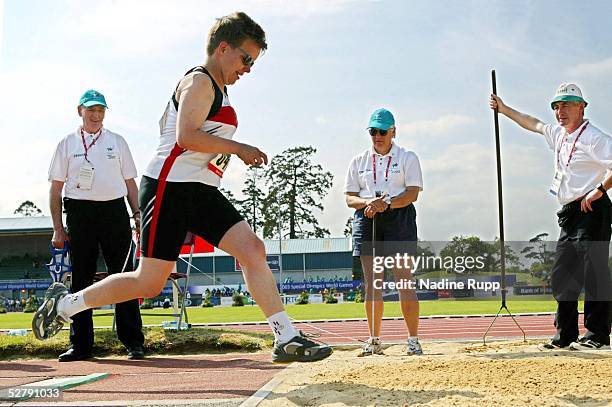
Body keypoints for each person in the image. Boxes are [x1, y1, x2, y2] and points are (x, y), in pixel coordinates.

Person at [34, 12, 332, 363]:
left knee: (252, 249)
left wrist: (223, 156)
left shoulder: (219, 88)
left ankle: (286, 337)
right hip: (169, 188)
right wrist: (239, 148)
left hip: (200, 189)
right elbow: (186, 136)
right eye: (245, 58)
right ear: (223, 48)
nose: (248, 68)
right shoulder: (199, 82)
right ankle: (67, 303)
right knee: (148, 282)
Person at [490, 83, 612, 350]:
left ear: (581, 107)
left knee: (594, 273)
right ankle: (565, 335)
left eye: (567, 105)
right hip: (569, 213)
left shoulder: (594, 137)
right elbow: (532, 123)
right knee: (562, 275)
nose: (560, 111)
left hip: (592, 209)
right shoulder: (559, 134)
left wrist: (601, 189)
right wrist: (504, 109)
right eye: (557, 106)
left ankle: (598, 335)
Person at [46, 89, 145, 361]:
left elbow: (130, 184)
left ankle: (133, 342)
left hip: (114, 211)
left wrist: (137, 215)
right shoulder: (67, 143)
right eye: (91, 110)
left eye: (101, 110)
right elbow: (55, 190)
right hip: (80, 213)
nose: (96, 115)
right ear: (80, 111)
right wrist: (58, 228)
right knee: (81, 279)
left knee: (124, 277)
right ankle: (81, 345)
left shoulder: (118, 141)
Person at [344, 108, 424, 356]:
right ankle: (374, 339)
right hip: (368, 220)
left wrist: (387, 203)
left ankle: (413, 340)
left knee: (404, 281)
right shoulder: (358, 161)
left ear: (393, 132)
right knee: (373, 283)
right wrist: (370, 203)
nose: (377, 136)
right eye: (373, 131)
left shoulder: (408, 157)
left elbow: (412, 194)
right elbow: (349, 198)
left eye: (382, 131)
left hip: (398, 219)